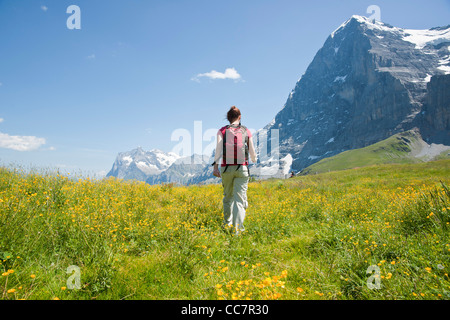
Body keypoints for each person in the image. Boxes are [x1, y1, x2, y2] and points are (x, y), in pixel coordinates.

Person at [212, 106, 257, 235]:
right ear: (240, 117)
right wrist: (253, 159)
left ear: (228, 118)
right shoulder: (246, 131)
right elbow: (253, 154)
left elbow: (218, 151)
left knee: (228, 198)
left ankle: (227, 225)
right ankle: (237, 231)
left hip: (226, 168)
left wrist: (215, 167)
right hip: (242, 168)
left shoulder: (222, 131)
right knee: (240, 200)